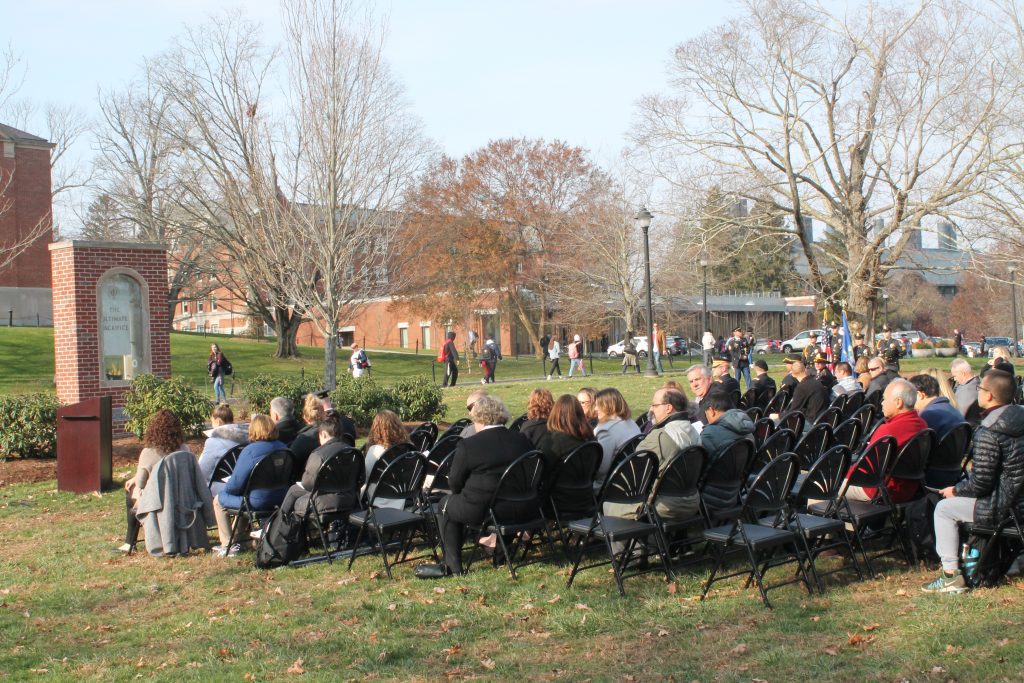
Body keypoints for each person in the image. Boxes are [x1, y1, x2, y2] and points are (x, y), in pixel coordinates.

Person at [923, 369, 1024, 593]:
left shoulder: (989, 429)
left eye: (979, 389)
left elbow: (981, 484)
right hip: (1018, 501)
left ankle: (950, 575)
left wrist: (956, 490)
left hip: (1002, 507)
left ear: (988, 395)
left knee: (943, 509)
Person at [415, 395, 537, 578]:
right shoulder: (521, 439)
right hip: (524, 506)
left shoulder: (469, 445)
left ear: (478, 418)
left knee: (445, 505)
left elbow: (454, 482)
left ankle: (453, 566)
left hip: (486, 510)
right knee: (494, 498)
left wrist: (465, 493)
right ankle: (500, 555)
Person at [212, 414, 289, 557]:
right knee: (241, 499)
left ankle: (227, 545)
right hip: (282, 497)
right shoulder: (283, 448)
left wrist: (229, 489)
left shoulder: (250, 451)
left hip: (258, 501)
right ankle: (240, 539)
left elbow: (234, 486)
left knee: (219, 500)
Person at [116, 409, 190, 553]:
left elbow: (142, 483)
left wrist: (137, 478)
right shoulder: (185, 449)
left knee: (130, 492)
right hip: (183, 497)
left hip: (157, 501)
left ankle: (129, 542)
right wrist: (135, 477)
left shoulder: (149, 453)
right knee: (133, 485)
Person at [845, 379, 928, 503]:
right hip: (911, 488)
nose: (882, 403)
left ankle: (820, 521)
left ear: (898, 403)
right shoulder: (923, 425)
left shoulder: (888, 430)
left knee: (819, 486)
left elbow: (866, 468)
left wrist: (842, 473)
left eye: (884, 399)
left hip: (881, 489)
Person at [277, 414, 360, 522]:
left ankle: (279, 528)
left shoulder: (319, 454)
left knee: (293, 491)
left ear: (324, 434)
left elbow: (307, 484)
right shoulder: (353, 452)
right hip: (351, 499)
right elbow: (360, 478)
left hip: (323, 502)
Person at [537, 394, 596, 513]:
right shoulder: (591, 440)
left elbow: (540, 472)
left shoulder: (554, 441)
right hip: (586, 497)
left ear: (556, 413)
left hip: (558, 502)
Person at [362, 410, 414, 510]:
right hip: (403, 497)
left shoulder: (376, 451)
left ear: (376, 429)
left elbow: (365, 477)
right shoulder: (408, 448)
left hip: (379, 501)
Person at [197, 403, 249, 496]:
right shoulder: (247, 437)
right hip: (245, 484)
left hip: (222, 488)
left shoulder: (213, 441)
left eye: (212, 422)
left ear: (218, 422)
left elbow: (202, 471)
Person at [593, 387, 641, 486]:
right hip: (636, 481)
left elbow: (601, 469)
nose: (595, 409)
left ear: (609, 406)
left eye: (599, 405)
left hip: (611, 486)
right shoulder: (631, 423)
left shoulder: (606, 431)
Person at [700, 390, 756, 461]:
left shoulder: (709, 434)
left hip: (720, 471)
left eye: (706, 413)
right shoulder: (746, 425)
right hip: (745, 470)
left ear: (711, 411)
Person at [909, 374, 966, 440]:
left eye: (911, 395)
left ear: (920, 395)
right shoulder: (951, 408)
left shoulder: (928, 414)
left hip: (941, 450)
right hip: (959, 449)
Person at [779, 358, 830, 425]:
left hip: (812, 423)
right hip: (823, 420)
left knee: (776, 422)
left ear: (793, 374)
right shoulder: (816, 381)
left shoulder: (801, 387)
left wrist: (778, 416)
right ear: (805, 370)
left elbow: (793, 411)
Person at [290, 393, 327, 474]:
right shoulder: (333, 434)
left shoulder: (303, 439)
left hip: (307, 481)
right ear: (324, 414)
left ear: (305, 417)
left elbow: (291, 465)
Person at [950, 358, 983, 424]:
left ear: (962, 374)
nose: (954, 379)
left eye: (955, 376)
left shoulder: (968, 390)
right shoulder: (975, 382)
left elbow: (959, 415)